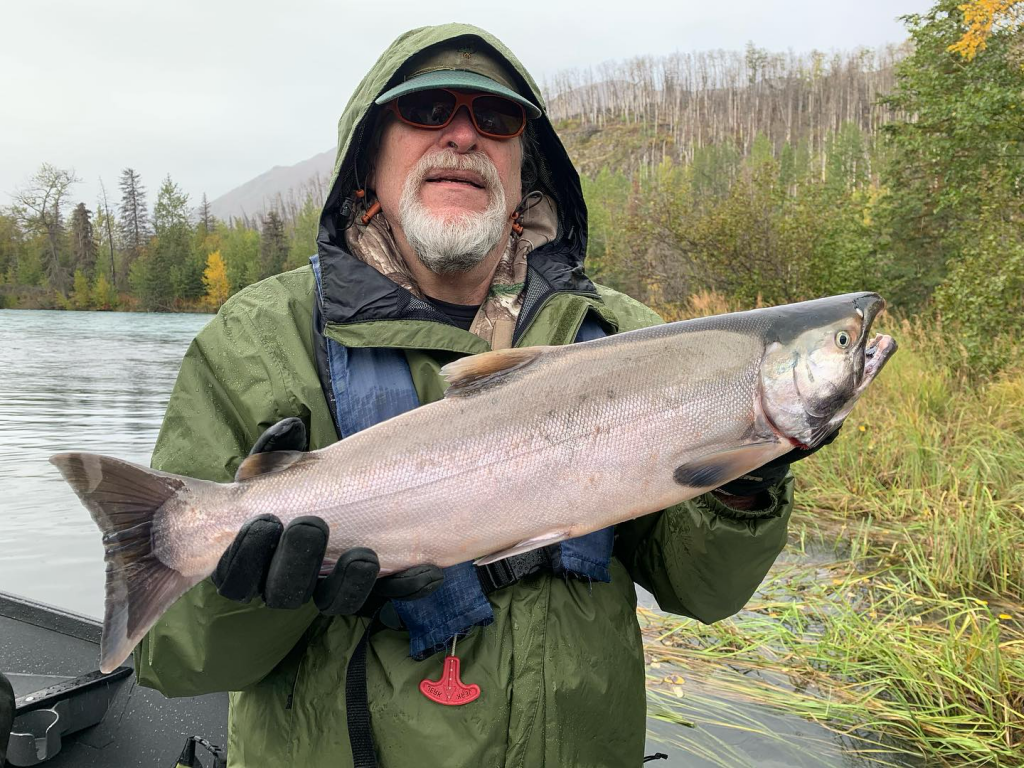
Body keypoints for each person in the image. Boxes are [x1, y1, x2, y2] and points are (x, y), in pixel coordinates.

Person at [136, 23, 830, 768]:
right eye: (428, 109)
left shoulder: (630, 338)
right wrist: (253, 597)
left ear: (525, 166)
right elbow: (178, 662)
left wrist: (743, 489)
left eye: (497, 119)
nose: (463, 135)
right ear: (368, 158)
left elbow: (705, 593)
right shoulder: (258, 340)